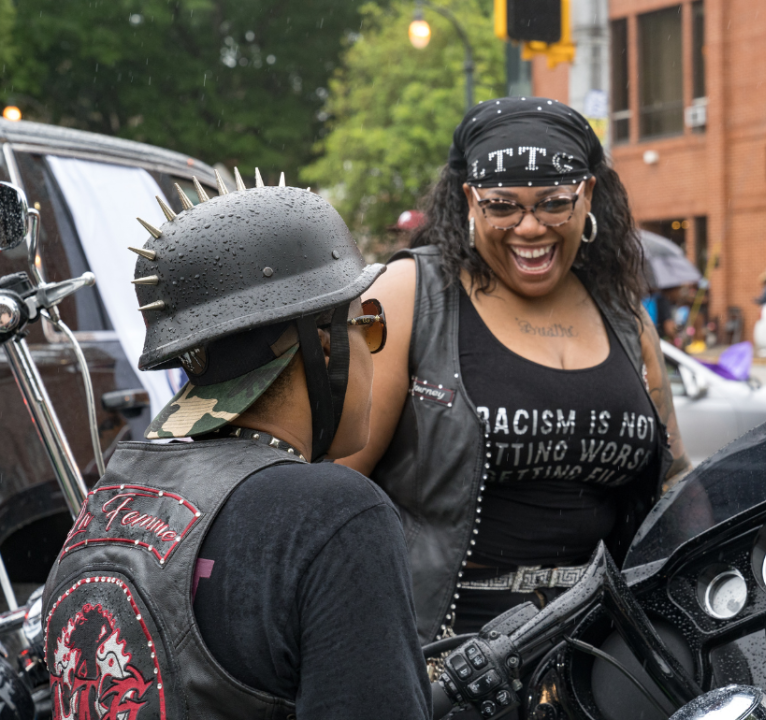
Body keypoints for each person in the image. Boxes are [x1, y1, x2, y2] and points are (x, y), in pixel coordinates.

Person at [42, 179, 430, 718]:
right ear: (324, 343)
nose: (372, 349)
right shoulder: (333, 515)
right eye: (367, 325)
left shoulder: (105, 506)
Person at [339, 97, 688, 643]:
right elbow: (336, 480)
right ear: (469, 203)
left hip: (600, 647)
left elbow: (673, 485)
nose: (529, 228)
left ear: (588, 195)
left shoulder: (625, 319)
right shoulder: (411, 295)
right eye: (502, 205)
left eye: (554, 203)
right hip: (442, 646)